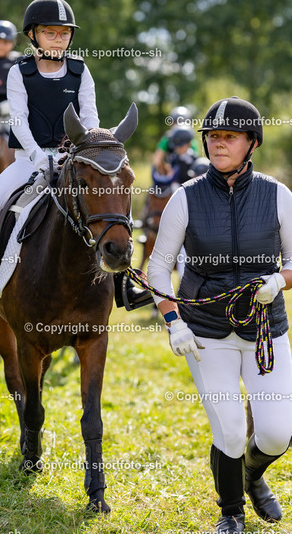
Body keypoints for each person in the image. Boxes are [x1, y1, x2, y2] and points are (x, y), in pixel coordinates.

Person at [147, 97, 292, 534]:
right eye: (212, 136)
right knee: (228, 430)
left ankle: (250, 475)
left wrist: (279, 281)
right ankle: (231, 512)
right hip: (205, 332)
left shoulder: (278, 195)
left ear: (252, 142)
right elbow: (158, 268)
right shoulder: (184, 198)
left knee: (276, 435)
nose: (217, 143)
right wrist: (173, 322)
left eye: (229, 136)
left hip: (266, 331)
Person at [0, 0, 152, 310]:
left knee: (113, 203)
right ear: (33, 35)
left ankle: (124, 281)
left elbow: (90, 117)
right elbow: (18, 120)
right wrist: (37, 156)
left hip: (77, 158)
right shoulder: (19, 71)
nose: (58, 39)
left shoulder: (80, 70)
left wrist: (88, 149)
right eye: (50, 32)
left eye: (64, 33)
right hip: (28, 160)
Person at [153, 105, 199, 174]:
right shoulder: (167, 139)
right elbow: (158, 159)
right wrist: (166, 169)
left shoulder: (191, 141)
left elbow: (195, 160)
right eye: (176, 123)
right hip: (171, 172)